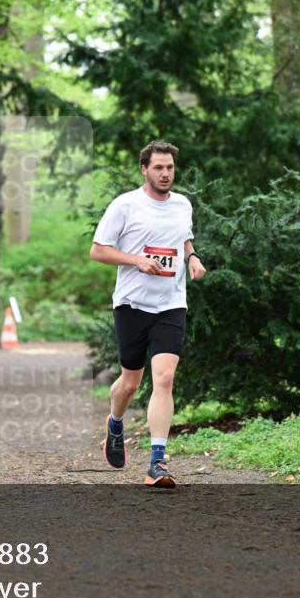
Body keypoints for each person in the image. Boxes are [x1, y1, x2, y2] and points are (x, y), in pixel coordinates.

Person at [89, 141, 207, 487]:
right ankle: (115, 422)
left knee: (165, 378)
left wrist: (192, 257)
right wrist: (137, 260)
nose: (165, 173)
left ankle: (158, 462)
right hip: (132, 305)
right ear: (144, 169)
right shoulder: (125, 205)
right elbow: (98, 251)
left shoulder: (183, 204)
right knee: (130, 382)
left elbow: (184, 239)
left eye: (169, 167)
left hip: (171, 303)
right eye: (158, 168)